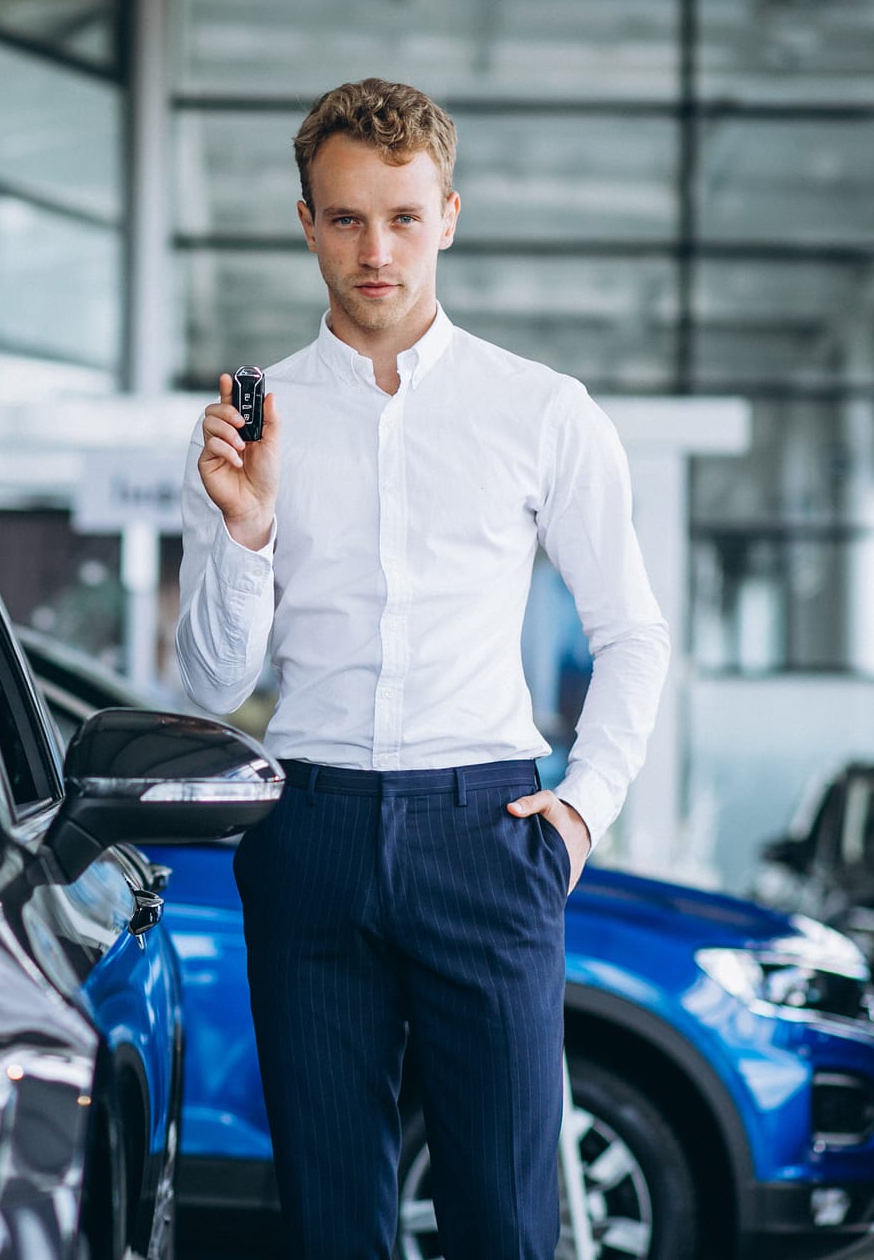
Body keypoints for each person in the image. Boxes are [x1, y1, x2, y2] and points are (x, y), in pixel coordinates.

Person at [175, 78, 670, 1260]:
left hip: (487, 831)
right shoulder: (256, 421)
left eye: (402, 217)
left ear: (448, 212)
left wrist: (581, 815)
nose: (375, 249)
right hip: (310, 832)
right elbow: (207, 684)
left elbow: (634, 633)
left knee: (504, 1219)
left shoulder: (542, 410)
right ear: (306, 223)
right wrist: (246, 531)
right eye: (345, 218)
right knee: (332, 1217)